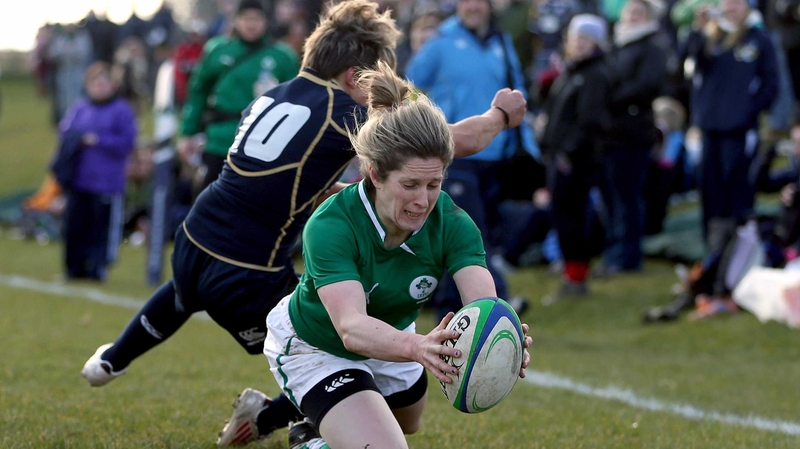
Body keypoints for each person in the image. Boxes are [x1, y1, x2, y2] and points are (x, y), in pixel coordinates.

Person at [80, 0, 527, 443]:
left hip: (198, 233)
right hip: (250, 264)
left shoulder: (276, 91)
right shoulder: (345, 114)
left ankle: (110, 361)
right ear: (354, 77)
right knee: (334, 337)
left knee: (186, 293)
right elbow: (447, 141)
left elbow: (286, 173)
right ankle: (302, 426)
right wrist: (501, 115)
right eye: (372, 80)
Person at [257, 62, 532, 449]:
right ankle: (311, 438)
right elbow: (351, 328)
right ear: (374, 174)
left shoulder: (452, 222)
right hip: (318, 343)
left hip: (392, 337)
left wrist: (502, 337)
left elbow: (483, 301)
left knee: (409, 423)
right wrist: (419, 348)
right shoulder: (332, 224)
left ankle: (288, 418)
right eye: (410, 184)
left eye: (434, 184)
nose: (423, 200)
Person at [406, 0, 539, 320]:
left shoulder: (501, 41)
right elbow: (409, 81)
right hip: (455, 152)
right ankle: (498, 303)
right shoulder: (441, 40)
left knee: (480, 233)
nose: (473, 6)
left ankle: (453, 308)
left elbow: (516, 93)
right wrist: (426, 125)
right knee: (470, 231)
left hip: (496, 152)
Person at [178, 0, 300, 199]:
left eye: (256, 19)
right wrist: (187, 133)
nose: (251, 24)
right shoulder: (217, 51)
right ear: (236, 21)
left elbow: (296, 102)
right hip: (220, 140)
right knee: (209, 203)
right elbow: (198, 92)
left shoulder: (282, 57)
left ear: (266, 22)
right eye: (246, 19)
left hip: (262, 143)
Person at [687, 0, 778, 245]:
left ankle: (738, 248)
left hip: (740, 129)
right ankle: (713, 249)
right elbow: (689, 64)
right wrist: (697, 30)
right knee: (709, 189)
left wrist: (747, 111)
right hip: (709, 128)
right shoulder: (711, 37)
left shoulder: (759, 39)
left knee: (737, 188)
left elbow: (771, 84)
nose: (731, 6)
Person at [539, 14, 610, 302]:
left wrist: (569, 151)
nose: (579, 44)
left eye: (586, 39)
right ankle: (571, 270)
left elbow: (588, 120)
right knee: (562, 214)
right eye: (576, 38)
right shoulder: (570, 71)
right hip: (559, 155)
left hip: (575, 160)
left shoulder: (595, 75)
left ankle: (576, 276)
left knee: (571, 216)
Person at [597, 0, 668, 276]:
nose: (633, 17)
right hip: (611, 134)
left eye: (639, 13)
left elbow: (647, 84)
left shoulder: (652, 46)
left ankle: (627, 256)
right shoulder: (617, 45)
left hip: (633, 133)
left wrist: (611, 98)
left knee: (628, 196)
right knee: (612, 196)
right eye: (630, 12)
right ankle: (613, 251)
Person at [57, 62, 138, 281]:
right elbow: (65, 134)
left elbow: (127, 142)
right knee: (75, 227)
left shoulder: (121, 110)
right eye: (95, 82)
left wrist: (98, 140)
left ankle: (98, 268)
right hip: (79, 181)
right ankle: (74, 268)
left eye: (104, 82)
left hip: (107, 182)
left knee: (101, 229)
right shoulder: (80, 109)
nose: (100, 87)